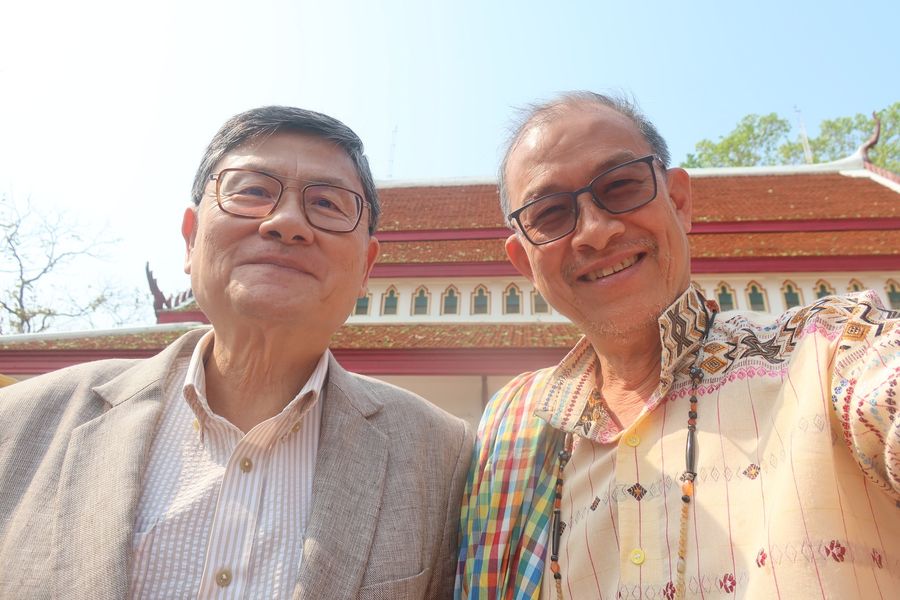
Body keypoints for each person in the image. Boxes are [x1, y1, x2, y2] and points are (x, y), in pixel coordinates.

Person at [0, 106, 473, 599]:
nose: (286, 222)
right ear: (190, 239)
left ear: (367, 270)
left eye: (327, 203)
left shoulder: (441, 459)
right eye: (252, 191)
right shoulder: (19, 425)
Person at [455, 92, 899, 599]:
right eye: (551, 214)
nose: (595, 233)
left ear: (679, 202)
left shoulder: (825, 349)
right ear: (523, 263)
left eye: (621, 186)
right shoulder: (515, 432)